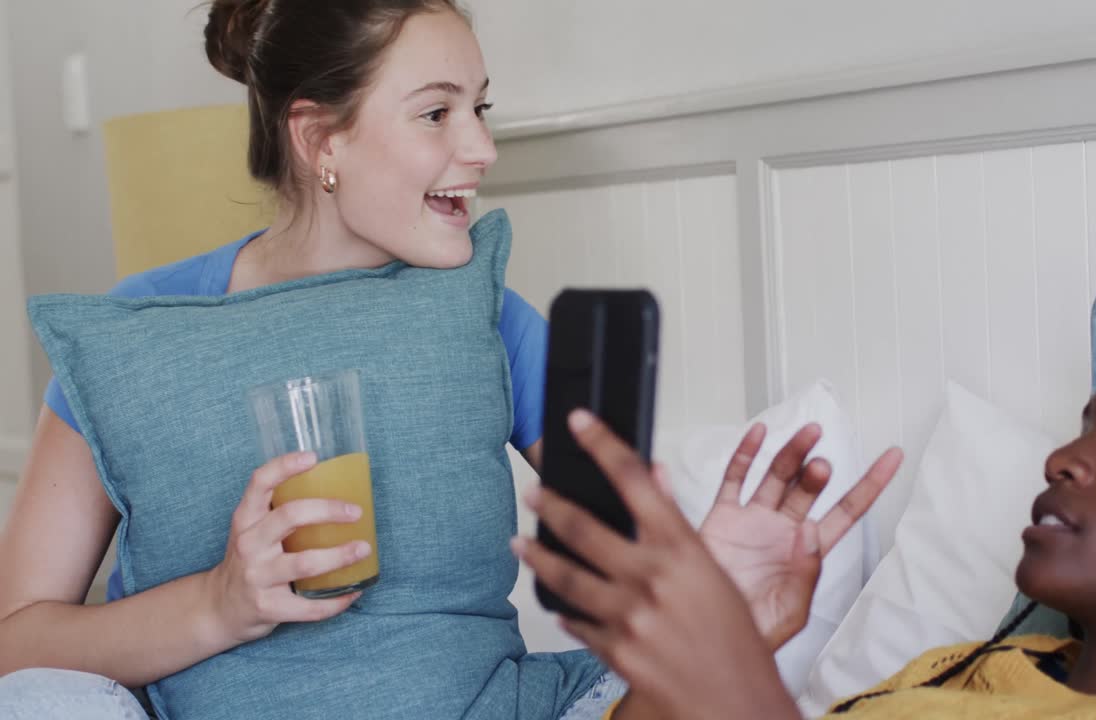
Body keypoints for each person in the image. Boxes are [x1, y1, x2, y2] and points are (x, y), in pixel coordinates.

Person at [0, 7, 900, 717]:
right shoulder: (129, 331)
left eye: (480, 108)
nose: (482, 149)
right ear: (321, 142)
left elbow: (628, 584)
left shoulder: (496, 321)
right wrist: (221, 603)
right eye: (436, 112)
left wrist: (716, 594)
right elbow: (16, 641)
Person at [520, 332, 1096, 719]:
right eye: (1082, 431)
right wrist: (714, 657)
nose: (1063, 460)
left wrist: (735, 685)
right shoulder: (964, 671)